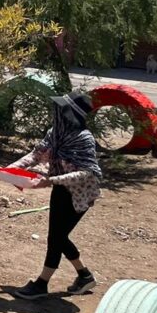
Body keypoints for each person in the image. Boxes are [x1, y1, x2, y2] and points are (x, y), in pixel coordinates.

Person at [11, 92, 102, 300]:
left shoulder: (84, 138)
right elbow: (36, 153)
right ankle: (84, 275)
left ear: (70, 114)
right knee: (59, 236)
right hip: (60, 189)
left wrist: (50, 180)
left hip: (80, 193)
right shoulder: (56, 132)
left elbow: (88, 172)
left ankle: (42, 283)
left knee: (57, 237)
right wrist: (10, 170)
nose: (56, 113)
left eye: (61, 110)